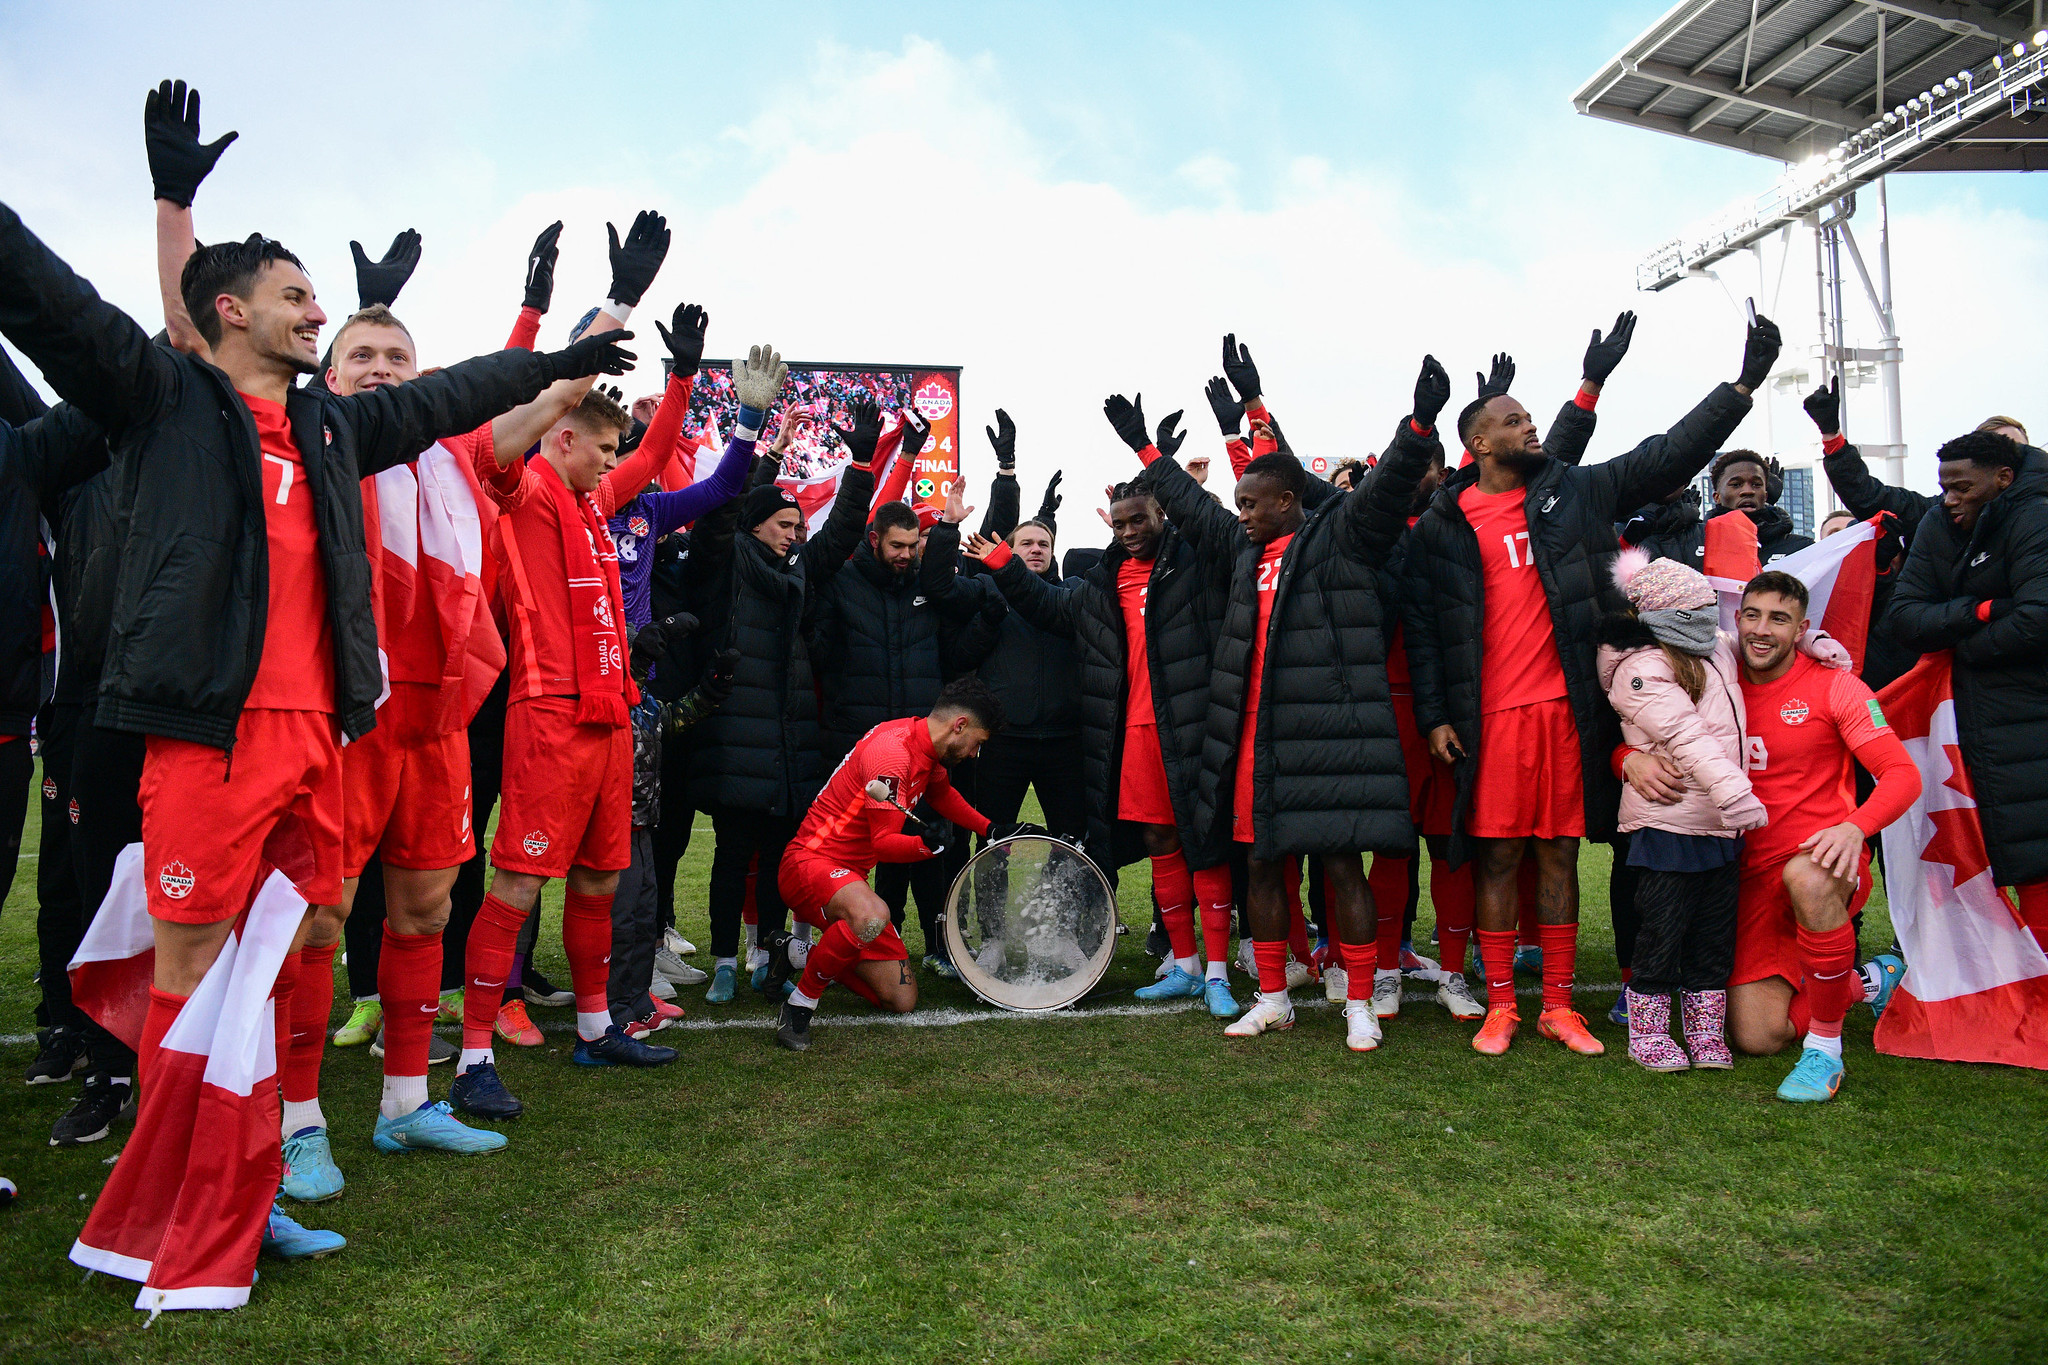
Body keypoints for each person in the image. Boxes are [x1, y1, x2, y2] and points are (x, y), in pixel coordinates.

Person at [0, 164, 633, 1293]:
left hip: (318, 739)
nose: (317, 312)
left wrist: (561, 359)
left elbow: (455, 399)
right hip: (213, 738)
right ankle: (175, 1214)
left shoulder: (333, 430)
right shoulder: (164, 399)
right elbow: (54, 306)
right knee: (191, 975)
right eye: (298, 295)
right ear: (231, 311)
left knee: (266, 969)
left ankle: (244, 1192)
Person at [1405, 311, 1779, 1057]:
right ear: (1478, 443)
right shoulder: (1446, 520)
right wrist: (1436, 713)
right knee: (1498, 859)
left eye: (1529, 416)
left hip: (1566, 712)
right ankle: (1503, 1005)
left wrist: (1740, 387)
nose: (1528, 423)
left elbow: (1663, 457)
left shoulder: (1571, 493)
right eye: (1513, 420)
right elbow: (1424, 627)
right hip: (1490, 720)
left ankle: (1560, 1007)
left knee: (1559, 856)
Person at [1104, 360, 1444, 1051]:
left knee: (1342, 865)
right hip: (1251, 736)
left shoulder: (1338, 541)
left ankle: (1357, 1003)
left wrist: (1418, 428)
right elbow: (1194, 510)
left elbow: (1382, 495)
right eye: (1239, 506)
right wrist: (1146, 450)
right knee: (1259, 866)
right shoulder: (1239, 547)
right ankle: (1273, 998)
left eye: (1253, 503)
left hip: (1324, 733)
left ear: (1288, 499)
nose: (1243, 514)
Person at [452, 347, 750, 1118]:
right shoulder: (528, 487)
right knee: (518, 881)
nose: (614, 465)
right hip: (550, 710)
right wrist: (580, 359)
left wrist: (683, 380)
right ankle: (474, 1055)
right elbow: (508, 437)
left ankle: (596, 1027)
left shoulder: (594, 502)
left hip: (614, 711)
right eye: (603, 449)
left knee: (598, 877)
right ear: (561, 437)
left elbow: (654, 453)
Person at [1623, 571, 1917, 1101]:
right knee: (1757, 1037)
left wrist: (1856, 828)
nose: (1763, 630)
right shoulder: (1712, 668)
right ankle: (1867, 980)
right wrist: (1626, 759)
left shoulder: (1836, 684)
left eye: (1780, 619)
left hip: (1816, 862)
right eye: (1752, 615)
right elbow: (1637, 717)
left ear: (1802, 629)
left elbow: (1902, 774)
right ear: (1735, 621)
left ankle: (1825, 1050)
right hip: (1735, 871)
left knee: (1805, 877)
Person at [963, 463, 1240, 1020]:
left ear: (1162, 516)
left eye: (1140, 519)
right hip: (1132, 736)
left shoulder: (1191, 571)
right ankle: (1184, 964)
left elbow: (1219, 532)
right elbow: (1047, 608)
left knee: (1204, 844)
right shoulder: (1102, 586)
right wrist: (1001, 563)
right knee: (1162, 844)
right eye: (1120, 524)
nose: (1130, 530)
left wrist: (1160, 462)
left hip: (1189, 732)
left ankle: (1216, 971)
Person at [683, 395, 877, 1004]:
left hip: (788, 741)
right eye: (785, 524)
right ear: (758, 524)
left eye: (798, 527)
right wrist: (763, 446)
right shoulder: (730, 562)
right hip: (737, 738)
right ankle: (722, 961)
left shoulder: (797, 572)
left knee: (775, 860)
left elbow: (842, 532)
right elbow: (726, 511)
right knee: (731, 856)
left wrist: (862, 465)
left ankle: (765, 955)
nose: (796, 534)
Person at [769, 678, 1031, 1051]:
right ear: (960, 725)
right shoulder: (893, 754)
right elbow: (885, 844)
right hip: (810, 863)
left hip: (847, 878)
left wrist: (989, 828)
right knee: (874, 913)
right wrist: (928, 847)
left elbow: (941, 792)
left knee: (901, 999)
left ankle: (797, 953)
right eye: (978, 743)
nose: (975, 754)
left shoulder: (924, 745)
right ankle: (800, 1005)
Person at [1597, 552, 1770, 1072]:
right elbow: (1685, 737)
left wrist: (1814, 641)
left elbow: (1754, 643)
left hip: (1719, 827)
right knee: (1662, 931)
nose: (1712, 622)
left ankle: (1705, 1032)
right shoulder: (1641, 669)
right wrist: (1734, 793)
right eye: (1698, 612)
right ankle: (1648, 1031)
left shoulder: (1715, 646)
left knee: (1714, 936)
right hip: (1670, 820)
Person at [1888, 428, 2048, 957]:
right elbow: (1905, 617)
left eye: (1962, 487)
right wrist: (1980, 611)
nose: (1950, 499)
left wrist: (1963, 649)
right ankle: (1986, 988)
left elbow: (2039, 619)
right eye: (1944, 487)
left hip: (2029, 716)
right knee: (1963, 861)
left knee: (2037, 863)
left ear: (2003, 478)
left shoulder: (2036, 516)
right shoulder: (1939, 521)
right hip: (1962, 721)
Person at [1639, 448, 1812, 568]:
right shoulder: (1682, 543)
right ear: (1717, 497)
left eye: (1756, 485)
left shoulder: (1801, 549)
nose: (1747, 491)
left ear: (1766, 496)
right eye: (1736, 485)